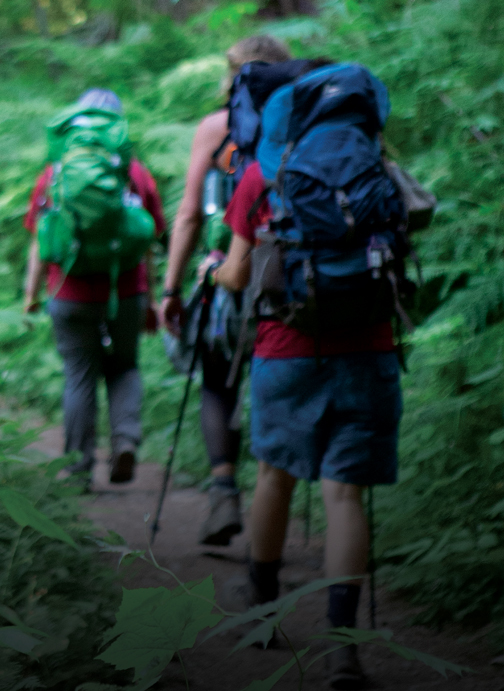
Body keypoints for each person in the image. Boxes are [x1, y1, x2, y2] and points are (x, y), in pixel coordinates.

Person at [213, 68, 405, 688]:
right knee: (343, 494)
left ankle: (265, 612)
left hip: (285, 349)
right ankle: (343, 648)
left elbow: (239, 277)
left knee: (275, 475)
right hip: (368, 349)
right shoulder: (379, 168)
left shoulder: (260, 176)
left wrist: (215, 270)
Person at [157, 35, 292, 545]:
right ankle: (273, 492)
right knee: (275, 371)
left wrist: (172, 287)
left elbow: (190, 212)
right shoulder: (302, 122)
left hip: (230, 273)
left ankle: (222, 493)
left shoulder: (218, 128)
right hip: (290, 277)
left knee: (217, 377)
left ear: (231, 74)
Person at [22, 89, 167, 490]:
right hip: (127, 290)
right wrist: (152, 299)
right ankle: (125, 440)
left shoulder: (55, 172)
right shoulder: (134, 171)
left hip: (69, 293)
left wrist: (31, 295)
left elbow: (40, 239)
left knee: (79, 375)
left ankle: (78, 467)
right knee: (125, 366)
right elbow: (148, 239)